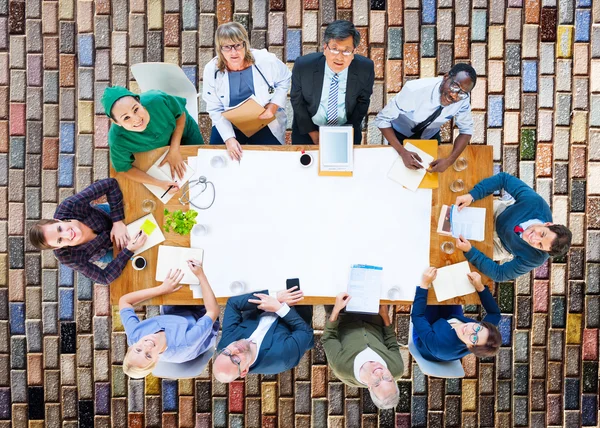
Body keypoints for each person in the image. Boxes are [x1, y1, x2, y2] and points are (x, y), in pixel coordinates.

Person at [455, 172, 572, 282]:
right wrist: (472, 195)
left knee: (455, 251)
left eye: (540, 245)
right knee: (455, 203)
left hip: (501, 245)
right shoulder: (535, 203)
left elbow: (500, 274)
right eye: (542, 234)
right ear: (548, 224)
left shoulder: (536, 258)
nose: (533, 239)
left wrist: (471, 252)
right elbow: (504, 179)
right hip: (498, 214)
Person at [28, 178, 147, 285]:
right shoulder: (67, 257)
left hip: (108, 217)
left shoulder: (69, 206)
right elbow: (104, 278)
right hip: (104, 250)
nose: (68, 234)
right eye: (60, 240)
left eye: (60, 228)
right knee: (142, 252)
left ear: (57, 220)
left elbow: (110, 184)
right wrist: (128, 250)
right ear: (56, 248)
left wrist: (117, 221)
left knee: (144, 213)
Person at [202, 22, 292, 160]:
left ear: (245, 44)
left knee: (272, 159)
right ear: (220, 49)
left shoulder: (265, 60)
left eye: (238, 45)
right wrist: (229, 138)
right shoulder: (211, 70)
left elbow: (285, 77)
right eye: (227, 47)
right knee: (219, 159)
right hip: (229, 122)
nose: (234, 52)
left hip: (263, 120)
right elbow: (215, 109)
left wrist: (273, 106)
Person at [119, 262, 220, 379]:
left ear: (132, 346)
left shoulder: (134, 336)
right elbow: (212, 311)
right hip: (202, 317)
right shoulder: (185, 344)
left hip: (174, 315)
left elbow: (124, 301)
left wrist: (161, 289)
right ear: (156, 360)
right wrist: (201, 275)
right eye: (148, 355)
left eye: (138, 350)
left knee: (175, 269)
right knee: (211, 274)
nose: (147, 346)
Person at [374, 63, 477, 172]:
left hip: (430, 137)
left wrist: (449, 161)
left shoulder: (463, 99)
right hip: (399, 136)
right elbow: (382, 119)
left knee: (428, 178)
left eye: (462, 93)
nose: (454, 95)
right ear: (446, 77)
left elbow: (466, 131)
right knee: (397, 174)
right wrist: (402, 151)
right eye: (455, 86)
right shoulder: (414, 90)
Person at [102, 84, 203, 193]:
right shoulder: (117, 140)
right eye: (126, 118)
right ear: (116, 122)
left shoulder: (157, 99)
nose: (137, 119)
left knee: (201, 164)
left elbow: (180, 114)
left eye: (136, 109)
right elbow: (124, 169)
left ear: (139, 101)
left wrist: (174, 149)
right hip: (158, 155)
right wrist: (159, 183)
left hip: (184, 132)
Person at [290, 19, 375, 145]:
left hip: (346, 130)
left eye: (346, 51)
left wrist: (344, 134)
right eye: (334, 49)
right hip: (308, 129)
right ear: (325, 48)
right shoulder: (304, 66)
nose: (340, 57)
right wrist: (313, 134)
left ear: (354, 52)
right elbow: (297, 100)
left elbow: (362, 102)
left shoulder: (365, 68)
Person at [322, 293, 403, 410]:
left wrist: (336, 309)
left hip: (343, 314)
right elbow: (391, 342)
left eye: (377, 383)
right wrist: (385, 316)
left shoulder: (342, 369)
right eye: (387, 378)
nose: (380, 373)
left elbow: (328, 337)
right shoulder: (397, 369)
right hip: (374, 315)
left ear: (369, 387)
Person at [212, 287, 313, 381]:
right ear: (244, 371)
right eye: (235, 360)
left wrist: (273, 297)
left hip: (267, 291)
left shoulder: (226, 344)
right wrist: (280, 308)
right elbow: (306, 332)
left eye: (226, 353)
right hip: (297, 303)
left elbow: (233, 304)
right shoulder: (282, 359)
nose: (235, 349)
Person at [411, 268, 502, 362]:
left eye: (474, 338)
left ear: (470, 346)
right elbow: (495, 314)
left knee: (428, 291)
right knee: (449, 286)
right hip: (449, 321)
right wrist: (480, 287)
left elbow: (417, 316)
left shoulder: (439, 346)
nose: (469, 330)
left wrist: (424, 284)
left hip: (428, 337)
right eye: (478, 328)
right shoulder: (484, 333)